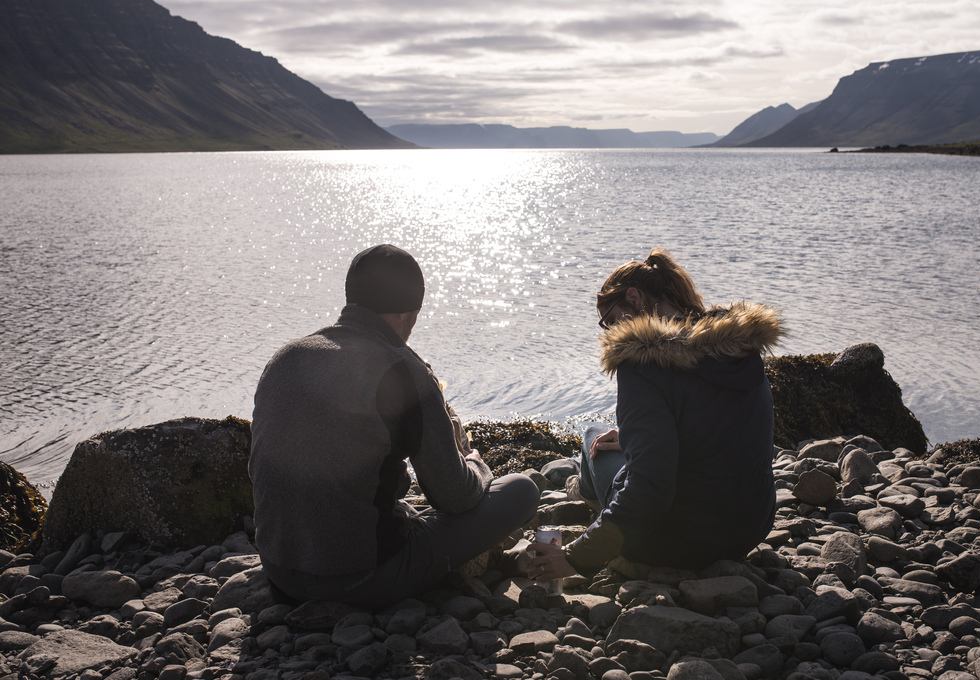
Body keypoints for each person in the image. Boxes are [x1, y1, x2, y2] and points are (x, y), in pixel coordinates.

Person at [250, 244, 540, 608]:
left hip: (280, 569)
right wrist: (474, 461)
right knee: (522, 490)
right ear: (410, 315)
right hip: (361, 577)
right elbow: (455, 496)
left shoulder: (286, 357)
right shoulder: (404, 372)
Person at [528, 248, 782, 581]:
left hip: (674, 544)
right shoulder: (737, 346)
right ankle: (606, 509)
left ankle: (599, 515)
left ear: (633, 298)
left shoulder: (642, 364)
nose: (608, 332)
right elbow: (716, 427)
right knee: (615, 439)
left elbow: (650, 488)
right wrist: (633, 437)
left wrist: (576, 559)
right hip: (748, 530)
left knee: (592, 434)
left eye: (609, 320)